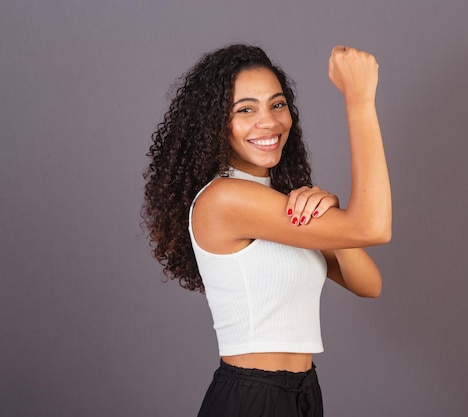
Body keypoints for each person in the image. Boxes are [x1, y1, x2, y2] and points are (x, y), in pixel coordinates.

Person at [142, 43, 391, 417]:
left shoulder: (279, 203)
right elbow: (373, 227)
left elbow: (368, 285)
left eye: (277, 104)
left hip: (303, 393)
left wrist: (336, 223)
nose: (269, 122)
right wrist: (358, 98)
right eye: (245, 109)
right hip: (253, 397)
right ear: (214, 123)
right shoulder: (225, 199)